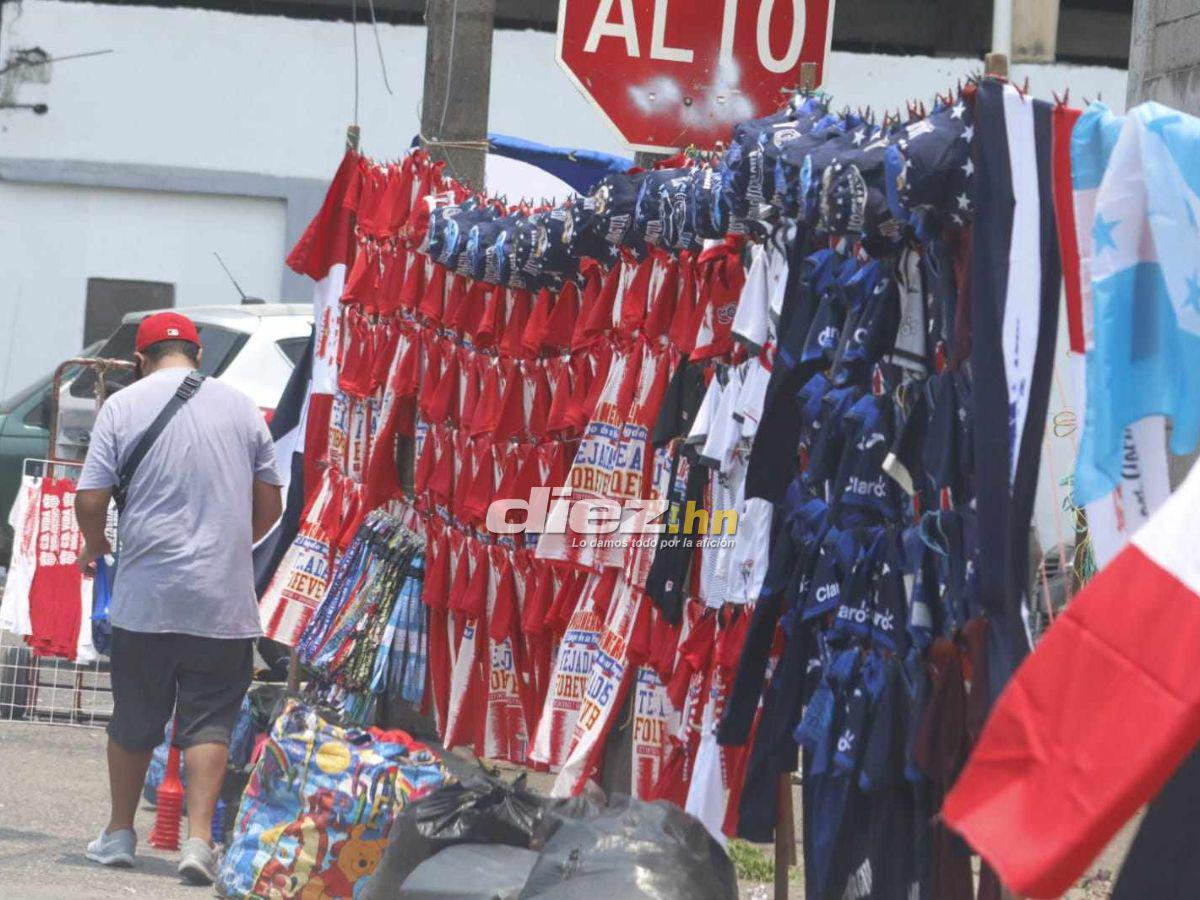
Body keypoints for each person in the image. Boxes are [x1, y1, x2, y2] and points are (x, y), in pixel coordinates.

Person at [74, 311, 283, 885]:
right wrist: (229, 545)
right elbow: (271, 505)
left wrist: (95, 546)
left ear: (141, 359)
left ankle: (119, 834)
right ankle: (198, 843)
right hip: (224, 602)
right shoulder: (241, 406)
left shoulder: (123, 405)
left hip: (149, 599)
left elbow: (91, 499)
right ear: (198, 356)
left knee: (136, 716)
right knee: (210, 723)